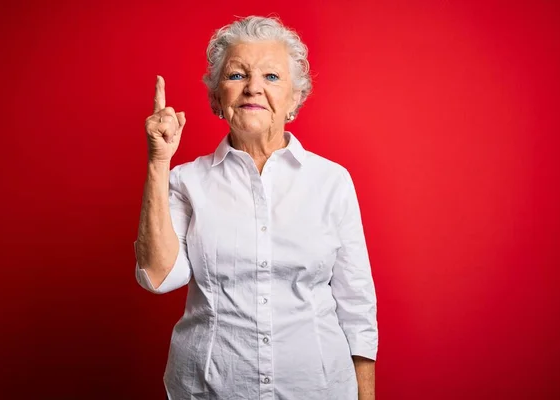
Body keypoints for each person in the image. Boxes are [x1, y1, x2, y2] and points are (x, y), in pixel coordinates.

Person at [134, 15, 378, 400]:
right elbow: (159, 277)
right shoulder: (186, 180)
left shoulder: (331, 181)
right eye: (236, 76)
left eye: (272, 77)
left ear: (295, 97)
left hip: (318, 389)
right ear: (217, 97)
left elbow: (356, 303)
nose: (253, 88)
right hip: (207, 390)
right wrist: (158, 161)